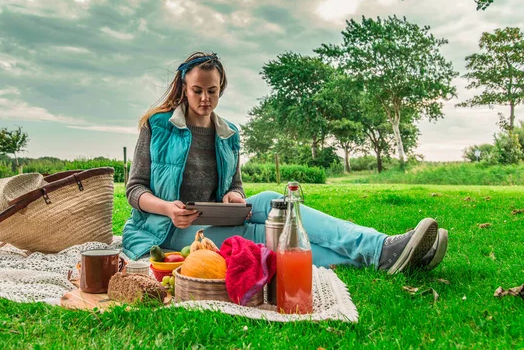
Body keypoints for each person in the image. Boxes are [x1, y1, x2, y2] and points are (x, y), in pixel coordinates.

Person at [122, 51, 448, 274]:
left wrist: (234, 197)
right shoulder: (158, 126)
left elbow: (234, 186)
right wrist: (168, 209)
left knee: (271, 202)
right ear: (184, 87)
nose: (205, 99)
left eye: (213, 91)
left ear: (221, 89)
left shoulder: (228, 133)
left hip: (215, 218)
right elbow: (134, 189)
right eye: (197, 91)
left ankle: (380, 248)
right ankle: (385, 258)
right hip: (166, 229)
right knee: (262, 235)